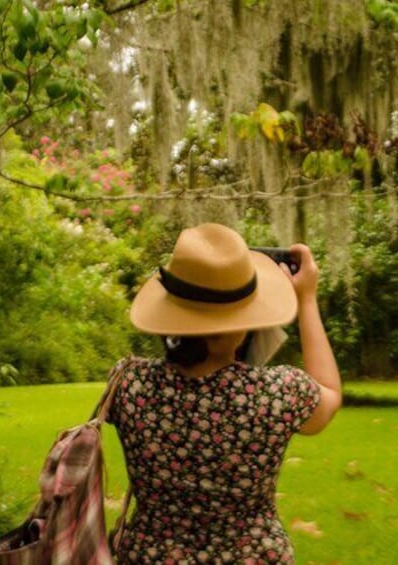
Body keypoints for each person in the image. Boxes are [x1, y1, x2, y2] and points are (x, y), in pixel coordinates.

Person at [106, 223, 342, 564]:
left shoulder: (128, 382)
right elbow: (330, 393)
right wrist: (306, 298)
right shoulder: (277, 394)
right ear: (242, 326)